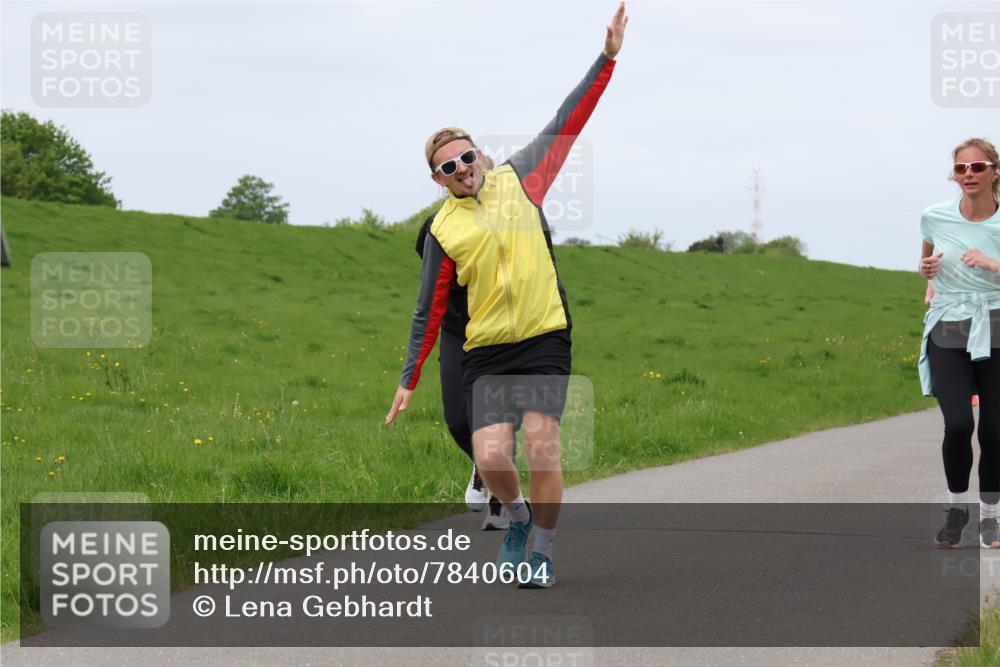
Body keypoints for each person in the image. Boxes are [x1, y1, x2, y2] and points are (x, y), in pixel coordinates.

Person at [387, 2, 628, 588]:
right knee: (492, 456)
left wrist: (607, 58)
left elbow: (567, 119)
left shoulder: (523, 180)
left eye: (467, 156)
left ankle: (542, 553)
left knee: (543, 449)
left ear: (479, 154)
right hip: (488, 352)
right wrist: (408, 378)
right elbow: (430, 309)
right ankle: (516, 517)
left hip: (545, 339)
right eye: (449, 166)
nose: (462, 168)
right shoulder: (443, 231)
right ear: (438, 179)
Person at [414, 181, 512, 530]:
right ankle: (484, 467)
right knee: (457, 420)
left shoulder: (509, 219)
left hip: (502, 331)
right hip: (458, 331)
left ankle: (501, 501)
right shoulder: (434, 226)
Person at [918, 137, 1000, 549]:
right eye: (961, 168)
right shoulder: (934, 216)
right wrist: (927, 271)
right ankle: (956, 508)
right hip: (949, 328)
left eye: (978, 167)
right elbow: (928, 262)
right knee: (960, 424)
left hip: (997, 326)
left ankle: (990, 516)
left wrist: (989, 264)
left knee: (995, 429)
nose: (968, 174)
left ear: (994, 172)